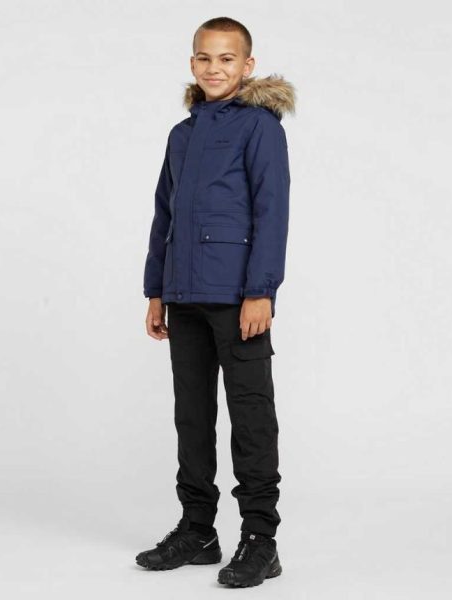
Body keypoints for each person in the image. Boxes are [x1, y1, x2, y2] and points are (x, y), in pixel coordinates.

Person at [137, 16, 295, 588]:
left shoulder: (260, 128)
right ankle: (198, 530)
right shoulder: (181, 134)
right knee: (193, 414)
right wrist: (156, 289)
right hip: (184, 294)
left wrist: (260, 290)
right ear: (192, 64)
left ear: (247, 65)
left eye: (227, 59)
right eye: (204, 58)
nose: (214, 68)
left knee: (250, 413)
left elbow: (271, 211)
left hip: (237, 296)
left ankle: (261, 539)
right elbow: (165, 214)